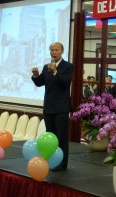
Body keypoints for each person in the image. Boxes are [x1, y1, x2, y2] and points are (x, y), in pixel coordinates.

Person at [31, 42, 74, 172]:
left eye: (56, 50)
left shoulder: (68, 66)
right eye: (51, 50)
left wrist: (55, 72)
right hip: (49, 107)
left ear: (62, 52)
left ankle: (62, 164)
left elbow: (66, 82)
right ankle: (51, 161)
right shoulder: (46, 67)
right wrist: (36, 75)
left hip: (61, 108)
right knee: (51, 137)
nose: (53, 52)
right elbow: (40, 83)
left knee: (61, 137)